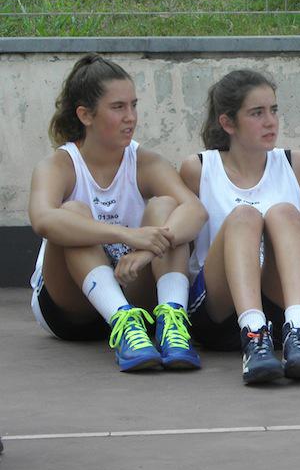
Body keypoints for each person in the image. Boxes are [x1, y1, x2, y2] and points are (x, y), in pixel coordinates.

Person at [28, 54, 206, 371]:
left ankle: (172, 322)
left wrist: (147, 252)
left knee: (167, 206)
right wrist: (126, 235)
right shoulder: (59, 164)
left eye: (133, 105)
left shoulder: (146, 161)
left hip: (134, 293)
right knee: (72, 213)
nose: (131, 117)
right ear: (85, 115)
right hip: (72, 310)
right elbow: (43, 219)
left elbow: (195, 210)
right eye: (118, 107)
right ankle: (121, 322)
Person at [180, 69, 300, 385]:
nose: (271, 122)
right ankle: (253, 334)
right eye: (257, 113)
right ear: (228, 123)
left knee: (283, 212)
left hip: (281, 305)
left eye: (273, 110)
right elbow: (186, 253)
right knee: (244, 216)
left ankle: (298, 331)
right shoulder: (198, 169)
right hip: (220, 312)